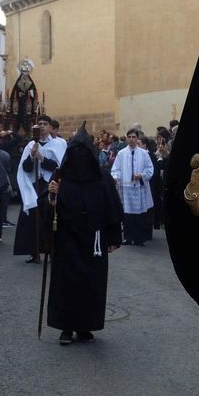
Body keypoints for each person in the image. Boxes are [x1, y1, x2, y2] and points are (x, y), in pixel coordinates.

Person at [46, 130, 122, 344]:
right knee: (66, 284)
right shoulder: (60, 177)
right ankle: (66, 328)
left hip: (94, 240)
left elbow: (112, 208)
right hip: (67, 238)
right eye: (75, 151)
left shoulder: (102, 177)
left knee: (91, 285)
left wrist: (113, 238)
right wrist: (51, 196)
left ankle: (85, 326)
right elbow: (49, 208)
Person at [13, 120, 66, 263]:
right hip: (35, 185)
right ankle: (34, 251)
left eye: (45, 123)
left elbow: (59, 167)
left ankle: (53, 251)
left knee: (51, 218)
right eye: (39, 123)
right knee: (33, 219)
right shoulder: (31, 145)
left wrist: (41, 158)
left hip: (50, 184)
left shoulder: (58, 144)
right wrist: (31, 156)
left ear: (50, 127)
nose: (41, 126)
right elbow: (25, 168)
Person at [110, 128, 155, 247]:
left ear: (137, 138)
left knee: (139, 214)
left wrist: (142, 175)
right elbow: (116, 169)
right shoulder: (121, 153)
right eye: (129, 137)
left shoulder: (144, 153)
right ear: (126, 139)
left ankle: (139, 238)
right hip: (126, 187)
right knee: (127, 214)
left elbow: (150, 169)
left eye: (133, 137)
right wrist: (115, 177)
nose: (131, 139)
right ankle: (128, 237)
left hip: (139, 188)